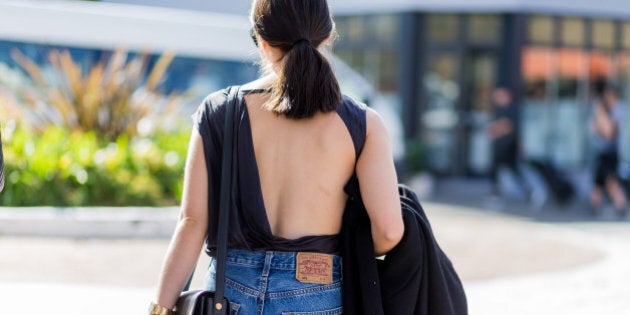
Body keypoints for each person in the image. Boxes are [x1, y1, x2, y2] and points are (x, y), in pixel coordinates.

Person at [150, 0, 404, 314]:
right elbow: (389, 231)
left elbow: (192, 222)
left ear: (261, 40)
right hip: (318, 290)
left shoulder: (218, 111)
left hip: (229, 294)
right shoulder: (363, 123)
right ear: (326, 37)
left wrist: (160, 308)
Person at [487, 87, 531, 201]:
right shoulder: (499, 110)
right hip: (502, 145)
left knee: (509, 169)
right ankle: (496, 192)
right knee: (500, 169)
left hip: (509, 145)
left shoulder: (511, 110)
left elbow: (508, 126)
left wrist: (496, 129)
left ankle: (527, 190)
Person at [590, 84, 627, 216]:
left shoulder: (617, 109)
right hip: (602, 152)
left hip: (611, 153)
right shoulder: (606, 109)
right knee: (598, 182)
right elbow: (593, 128)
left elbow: (608, 132)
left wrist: (600, 112)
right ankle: (594, 206)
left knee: (611, 181)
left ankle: (621, 205)